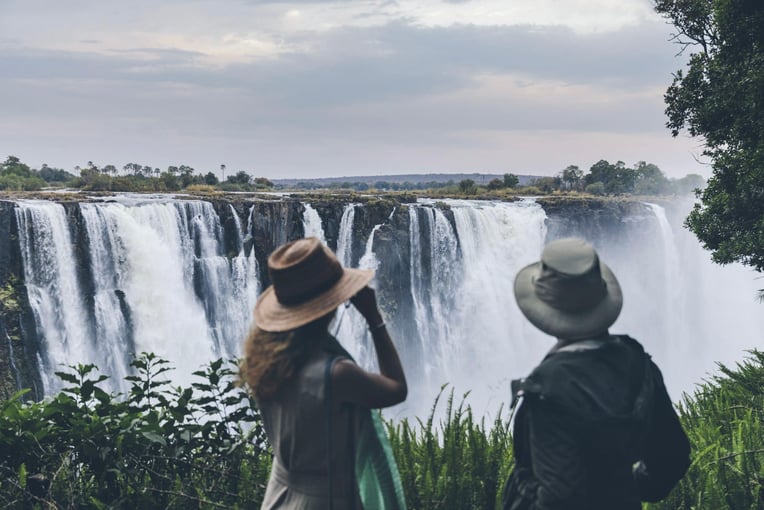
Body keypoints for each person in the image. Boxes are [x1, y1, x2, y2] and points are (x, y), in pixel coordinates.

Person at [502, 237, 690, 510]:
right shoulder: (639, 364)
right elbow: (672, 456)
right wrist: (627, 490)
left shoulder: (548, 389)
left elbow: (559, 498)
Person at [240, 236, 408, 509]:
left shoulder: (264, 361)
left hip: (279, 496)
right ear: (330, 305)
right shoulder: (336, 375)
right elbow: (397, 388)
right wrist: (374, 319)